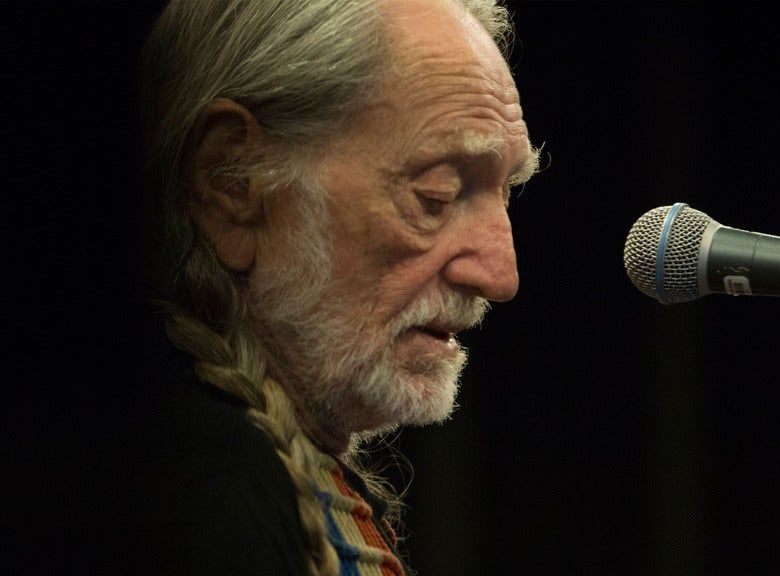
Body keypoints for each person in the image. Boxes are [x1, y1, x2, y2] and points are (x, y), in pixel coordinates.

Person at [136, 0, 540, 573]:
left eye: (507, 193)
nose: (500, 276)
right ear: (233, 180)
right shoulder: (188, 510)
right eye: (437, 195)